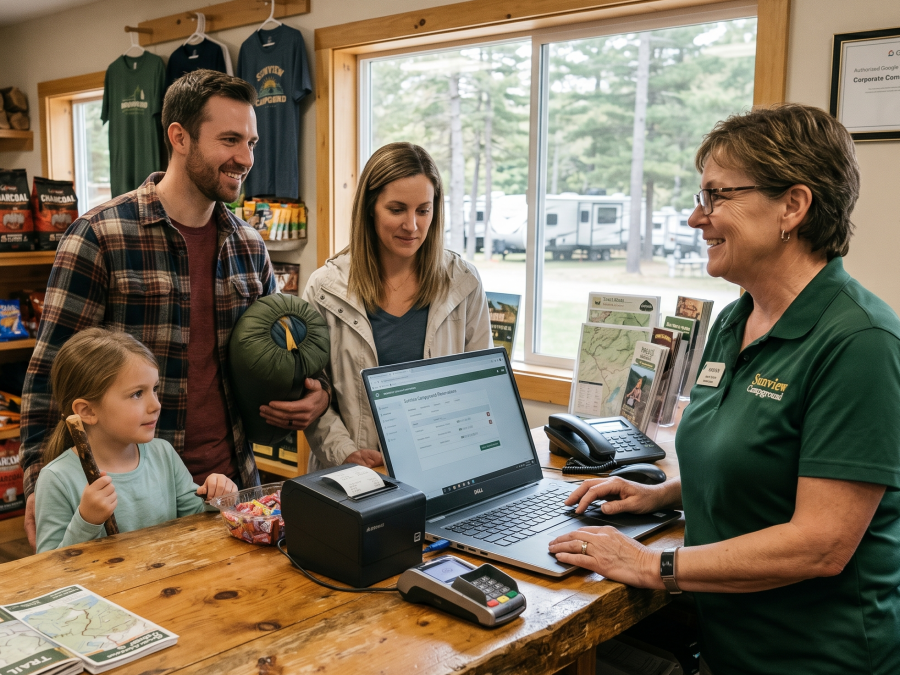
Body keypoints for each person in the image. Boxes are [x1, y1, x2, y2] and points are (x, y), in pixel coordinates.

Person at [548, 104, 900, 675]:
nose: (696, 217)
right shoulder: (738, 320)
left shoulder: (860, 342)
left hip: (816, 660)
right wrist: (661, 495)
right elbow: (761, 465)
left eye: (717, 196)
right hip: (725, 644)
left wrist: (653, 567)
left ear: (794, 204)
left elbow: (821, 543)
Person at [20, 69, 330, 550]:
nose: (245, 158)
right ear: (179, 137)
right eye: (229, 140)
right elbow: (51, 374)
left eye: (251, 141)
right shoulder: (100, 235)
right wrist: (40, 482)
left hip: (230, 489)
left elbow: (286, 351)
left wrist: (318, 395)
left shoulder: (250, 246)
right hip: (132, 500)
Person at [302, 142, 492, 470]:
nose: (412, 225)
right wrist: (345, 453)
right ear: (370, 208)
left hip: (442, 469)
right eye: (397, 209)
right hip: (353, 475)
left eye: (423, 210)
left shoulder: (463, 283)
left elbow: (482, 384)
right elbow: (312, 396)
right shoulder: (324, 289)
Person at [35, 328, 237, 553]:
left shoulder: (163, 454)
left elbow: (194, 518)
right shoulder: (56, 479)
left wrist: (217, 497)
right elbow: (50, 569)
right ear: (87, 411)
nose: (156, 405)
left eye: (155, 389)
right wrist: (87, 520)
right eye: (137, 394)